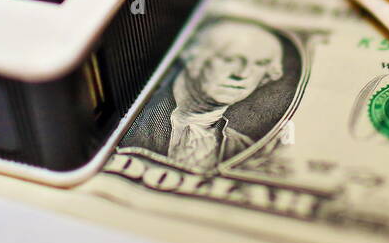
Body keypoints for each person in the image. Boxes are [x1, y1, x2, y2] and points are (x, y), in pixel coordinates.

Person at [121, 17, 289, 172]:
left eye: (260, 64)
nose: (242, 74)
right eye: (229, 59)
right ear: (193, 57)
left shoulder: (243, 148)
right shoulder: (131, 125)